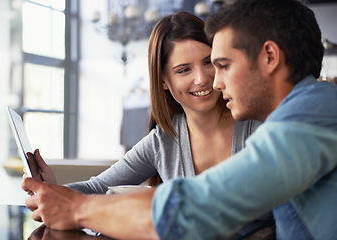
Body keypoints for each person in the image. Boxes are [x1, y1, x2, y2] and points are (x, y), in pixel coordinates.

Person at [22, 0, 337, 239]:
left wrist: (76, 209)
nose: (213, 82)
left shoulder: (311, 115)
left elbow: (195, 208)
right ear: (163, 81)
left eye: (222, 65)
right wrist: (59, 195)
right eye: (185, 69)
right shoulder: (307, 111)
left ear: (270, 57)